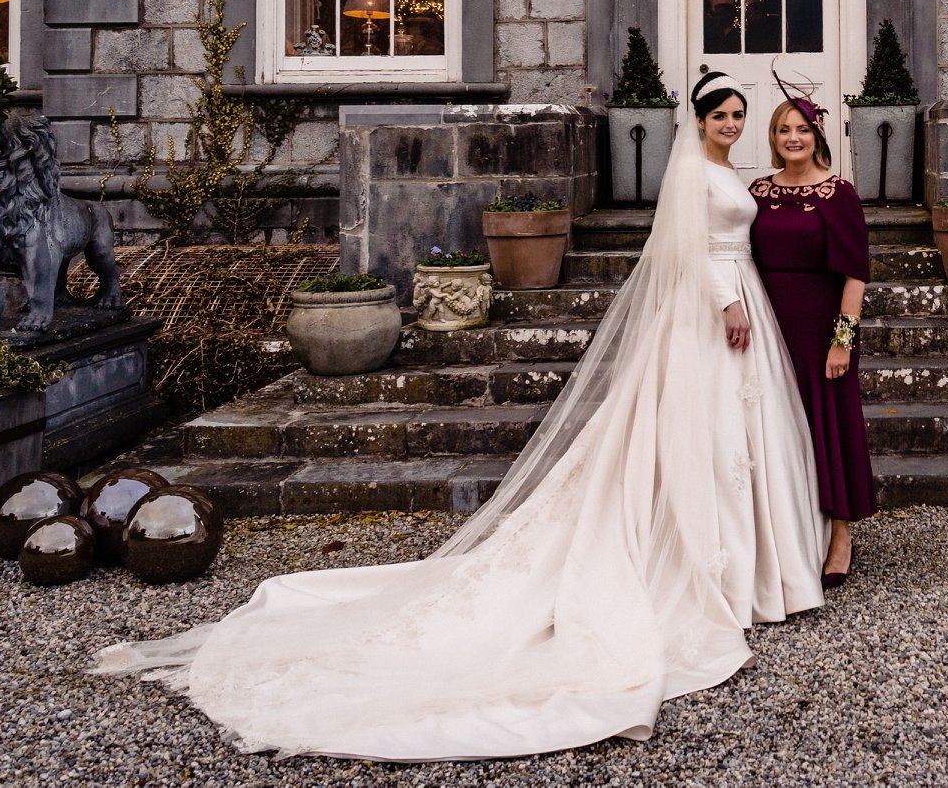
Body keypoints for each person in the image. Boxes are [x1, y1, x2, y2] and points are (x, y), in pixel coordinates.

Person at [92, 70, 828, 761]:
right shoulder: (693, 173)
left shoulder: (733, 172)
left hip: (741, 302)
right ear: (697, 120)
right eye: (720, 115)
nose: (731, 123)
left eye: (737, 115)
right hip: (713, 308)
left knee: (736, 437)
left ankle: (753, 566)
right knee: (701, 437)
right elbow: (689, 248)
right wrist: (726, 301)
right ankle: (713, 571)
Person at [748, 87, 875, 587]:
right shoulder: (758, 192)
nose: (793, 138)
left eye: (802, 129)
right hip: (768, 323)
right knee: (775, 425)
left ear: (816, 134)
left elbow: (856, 274)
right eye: (784, 130)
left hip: (823, 327)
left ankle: (839, 533)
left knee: (828, 421)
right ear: (773, 138)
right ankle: (787, 528)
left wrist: (842, 339)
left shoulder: (838, 193)